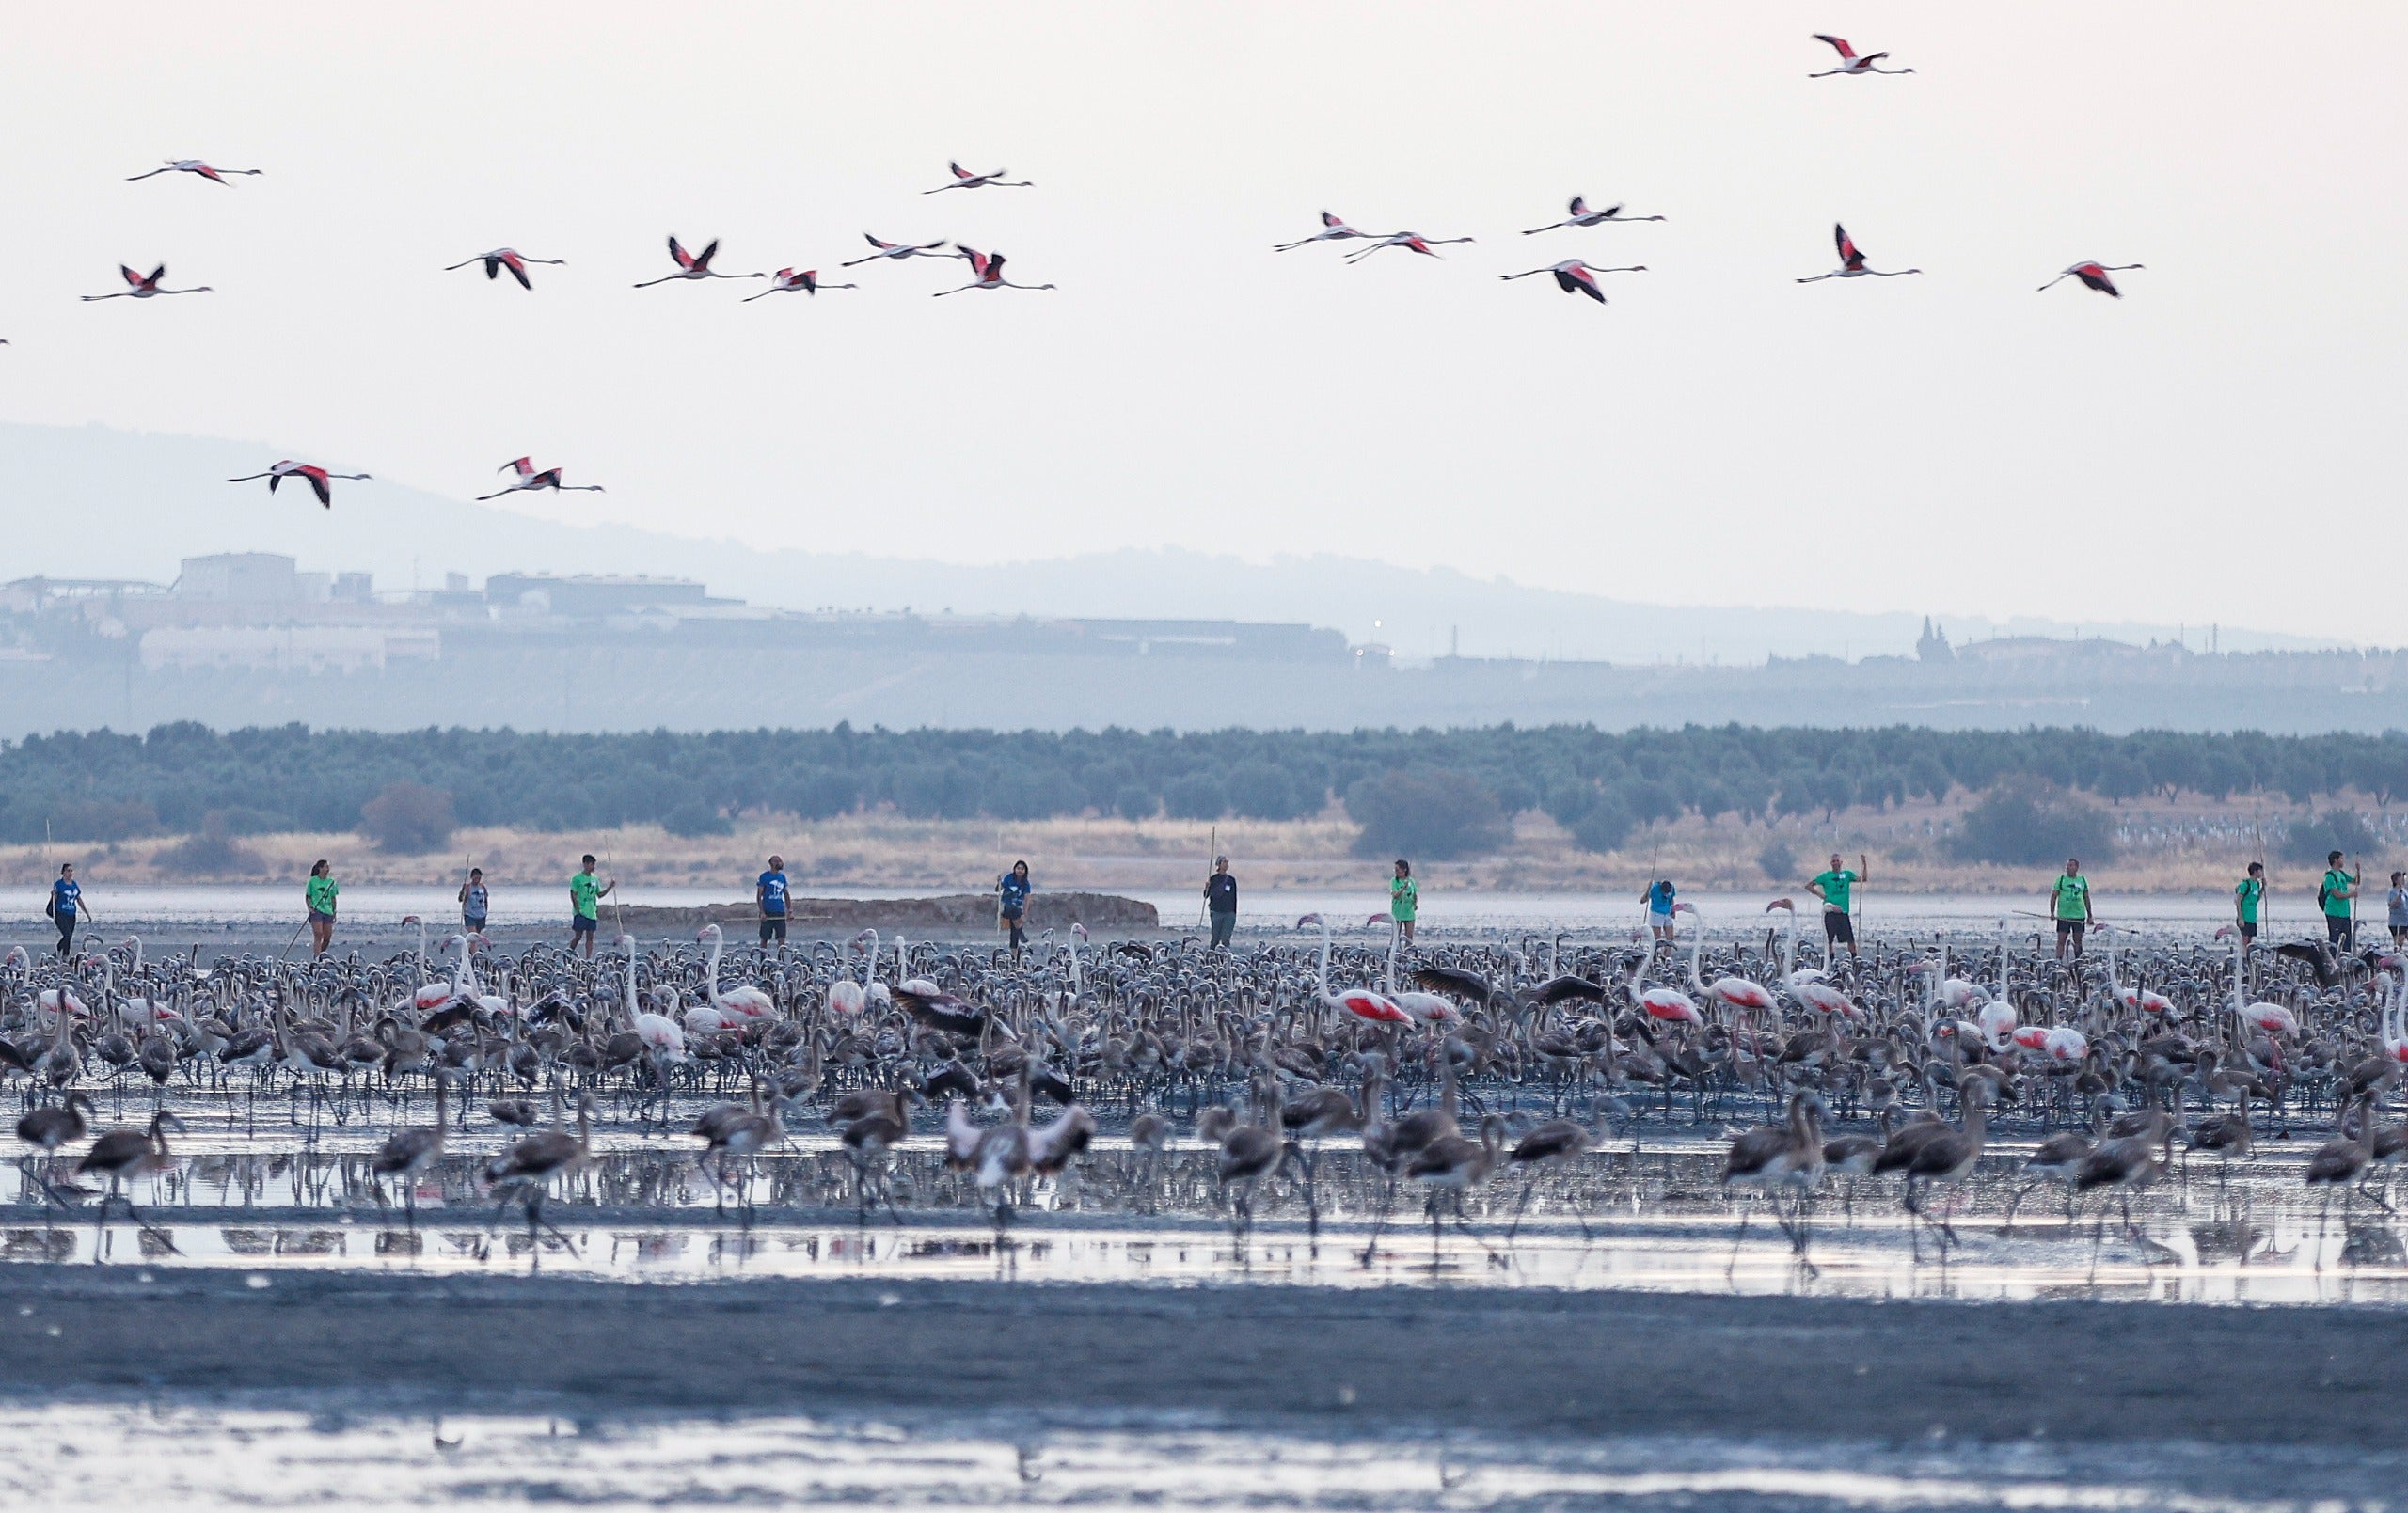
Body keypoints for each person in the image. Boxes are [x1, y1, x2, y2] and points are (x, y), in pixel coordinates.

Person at [1807, 852, 1866, 960]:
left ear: (1841, 862)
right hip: (1830, 911)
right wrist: (1821, 895)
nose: (1836, 863)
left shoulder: (1847, 874)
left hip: (1843, 912)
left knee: (1850, 940)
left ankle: (1854, 960)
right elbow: (1809, 886)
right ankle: (1831, 960)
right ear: (1831, 863)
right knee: (1829, 940)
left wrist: (1864, 863)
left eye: (1837, 861)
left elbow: (1864, 879)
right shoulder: (1826, 876)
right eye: (1833, 861)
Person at [569, 854, 614, 958]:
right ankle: (569, 951)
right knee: (578, 936)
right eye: (591, 864)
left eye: (594, 864)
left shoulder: (595, 879)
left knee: (590, 937)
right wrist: (577, 909)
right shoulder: (577, 878)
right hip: (581, 911)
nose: (593, 867)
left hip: (591, 912)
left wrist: (609, 887)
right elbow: (573, 894)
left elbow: (599, 895)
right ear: (585, 864)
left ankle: (588, 958)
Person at [2051, 858, 2092, 960]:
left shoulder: (2082, 880)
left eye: (2071, 865)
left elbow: (2086, 897)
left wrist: (2090, 915)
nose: (2068, 868)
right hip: (2064, 916)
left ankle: (2079, 960)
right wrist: (2052, 912)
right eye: (2067, 866)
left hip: (2079, 916)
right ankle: (2058, 961)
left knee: (2078, 940)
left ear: (2076, 867)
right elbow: (2054, 896)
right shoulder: (2061, 880)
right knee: (2061, 940)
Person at [2320, 850, 2359, 949]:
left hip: (2344, 913)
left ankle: (2345, 959)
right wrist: (2351, 894)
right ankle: (2333, 959)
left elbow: (2356, 882)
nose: (2343, 860)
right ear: (2335, 860)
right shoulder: (2329, 876)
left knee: (2347, 940)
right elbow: (2336, 894)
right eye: (2341, 858)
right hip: (2334, 912)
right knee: (2334, 939)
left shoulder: (2341, 874)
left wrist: (2358, 870)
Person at [997, 860, 1032, 963]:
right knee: (1013, 910)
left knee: (1014, 932)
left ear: (1025, 871)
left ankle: (1014, 956)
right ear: (1014, 869)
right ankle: (1020, 929)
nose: (1020, 870)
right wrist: (998, 882)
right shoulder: (1009, 878)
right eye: (1018, 868)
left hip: (1017, 911)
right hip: (1006, 907)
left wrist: (1025, 914)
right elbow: (998, 889)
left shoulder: (1026, 884)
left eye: (1022, 869)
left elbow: (1027, 899)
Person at [44, 863, 81, 959]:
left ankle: (65, 955)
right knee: (67, 934)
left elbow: (78, 899)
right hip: (61, 914)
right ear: (63, 872)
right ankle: (59, 951)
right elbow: (54, 899)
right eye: (68, 870)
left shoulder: (74, 884)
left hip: (71, 914)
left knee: (69, 937)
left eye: (71, 871)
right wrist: (51, 901)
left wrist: (87, 913)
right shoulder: (59, 884)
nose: (70, 873)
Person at [305, 859, 339, 957]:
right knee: (318, 934)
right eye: (326, 867)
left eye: (328, 867)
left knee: (327, 937)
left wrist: (334, 911)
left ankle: (320, 953)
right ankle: (317, 957)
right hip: (317, 910)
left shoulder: (331, 882)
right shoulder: (312, 881)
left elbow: (333, 898)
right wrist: (310, 908)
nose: (328, 869)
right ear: (320, 868)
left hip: (328, 910)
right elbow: (308, 897)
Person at [757, 855, 791, 950]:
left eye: (781, 861)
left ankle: (781, 958)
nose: (780, 863)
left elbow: (786, 894)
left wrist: (790, 910)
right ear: (772, 863)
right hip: (768, 912)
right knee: (765, 938)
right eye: (778, 861)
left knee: (781, 938)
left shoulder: (782, 877)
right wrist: (762, 912)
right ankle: (763, 958)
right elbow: (759, 896)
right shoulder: (764, 877)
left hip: (780, 911)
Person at [1204, 856, 1238, 950]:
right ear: (1219, 864)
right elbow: (1206, 896)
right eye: (1224, 862)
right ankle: (1211, 956)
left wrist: (1234, 913)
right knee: (1215, 938)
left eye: (1227, 862)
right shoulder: (1213, 879)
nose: (1226, 864)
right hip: (1216, 912)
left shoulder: (1231, 880)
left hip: (1229, 913)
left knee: (1225, 939)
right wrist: (1207, 887)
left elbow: (1234, 897)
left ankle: (1225, 958)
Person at [2233, 860, 2266, 948]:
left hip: (2252, 917)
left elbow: (2256, 899)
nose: (2262, 873)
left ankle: (2247, 957)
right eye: (2260, 871)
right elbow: (2238, 900)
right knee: (2244, 939)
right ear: (2255, 871)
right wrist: (2240, 918)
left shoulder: (2257, 884)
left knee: (2250, 942)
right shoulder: (2246, 884)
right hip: (2245, 917)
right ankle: (2243, 956)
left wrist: (2263, 888)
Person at [1390, 859, 1418, 945]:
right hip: (1398, 911)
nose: (1396, 872)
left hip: (1409, 911)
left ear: (1404, 870)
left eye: (1397, 870)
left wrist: (1415, 903)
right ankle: (1393, 952)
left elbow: (1414, 894)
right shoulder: (1394, 881)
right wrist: (1403, 888)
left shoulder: (1411, 881)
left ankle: (1407, 954)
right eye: (1395, 870)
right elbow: (1395, 895)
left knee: (1409, 936)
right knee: (1396, 935)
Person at [1641, 876, 1676, 944]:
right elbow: (1642, 901)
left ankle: (1667, 954)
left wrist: (1673, 909)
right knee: (1657, 938)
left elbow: (1671, 899)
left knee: (1670, 938)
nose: (1666, 895)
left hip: (1667, 912)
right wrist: (1648, 889)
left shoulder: (1671, 887)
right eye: (1665, 893)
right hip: (1656, 913)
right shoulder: (1654, 889)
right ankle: (1656, 953)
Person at [458, 867, 489, 935]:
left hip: (481, 915)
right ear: (472, 877)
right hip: (470, 915)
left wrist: (486, 912)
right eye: (476, 878)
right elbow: (460, 899)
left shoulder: (482, 887)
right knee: (473, 935)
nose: (477, 880)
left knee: (478, 936)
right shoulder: (468, 887)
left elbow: (486, 900)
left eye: (479, 878)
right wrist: (462, 891)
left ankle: (470, 945)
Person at [2388, 871, 2408, 950]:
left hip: (2405, 920)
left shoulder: (2405, 891)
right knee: (2399, 943)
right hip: (2397, 922)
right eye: (2401, 878)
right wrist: (2399, 895)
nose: (2403, 879)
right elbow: (2392, 905)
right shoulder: (2392, 892)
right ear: (2396, 880)